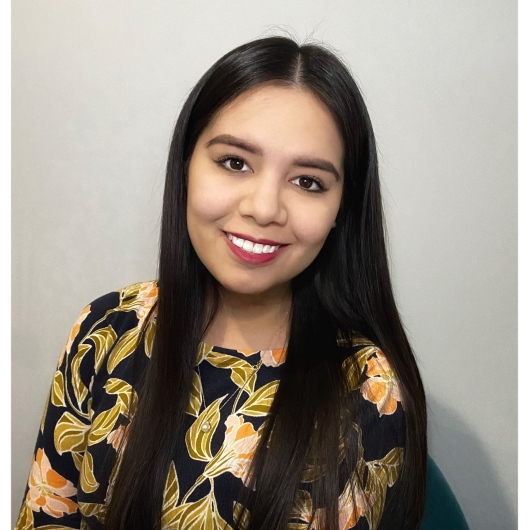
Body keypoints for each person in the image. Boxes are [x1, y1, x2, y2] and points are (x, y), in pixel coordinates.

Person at [15, 36, 427, 530]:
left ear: (341, 208)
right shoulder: (107, 329)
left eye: (308, 181)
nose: (264, 208)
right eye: (235, 162)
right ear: (186, 166)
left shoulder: (370, 390)